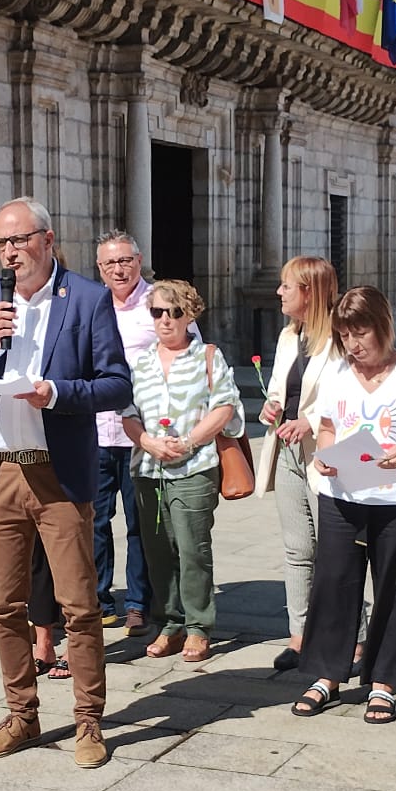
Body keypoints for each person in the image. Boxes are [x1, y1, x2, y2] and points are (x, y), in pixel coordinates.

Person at [0, 197, 129, 768]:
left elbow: (116, 385)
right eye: (1, 243)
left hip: (60, 470)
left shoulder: (89, 298)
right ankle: (22, 716)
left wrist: (57, 393)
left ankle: (88, 722)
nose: (9, 253)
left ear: (47, 240)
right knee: (4, 606)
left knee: (79, 605)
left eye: (19, 241)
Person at [293, 288, 396, 725]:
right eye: (345, 336)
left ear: (383, 325)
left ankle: (384, 682)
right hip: (343, 493)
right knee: (334, 581)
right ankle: (327, 674)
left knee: (395, 584)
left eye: (361, 333)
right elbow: (326, 427)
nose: (355, 344)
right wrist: (324, 455)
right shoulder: (337, 373)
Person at [119, 278, 242, 662]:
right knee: (157, 550)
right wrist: (148, 442)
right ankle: (170, 622)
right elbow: (128, 415)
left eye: (175, 312)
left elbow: (224, 406)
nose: (166, 320)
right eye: (158, 312)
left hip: (196, 466)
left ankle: (198, 627)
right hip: (148, 468)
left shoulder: (207, 355)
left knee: (192, 550)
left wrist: (188, 442)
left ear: (190, 315)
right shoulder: (140, 362)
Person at [258, 256, 352, 672]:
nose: (279, 292)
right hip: (288, 450)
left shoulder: (341, 337)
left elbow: (350, 398)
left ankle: (357, 636)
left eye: (287, 286)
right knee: (297, 549)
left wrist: (310, 421)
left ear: (310, 292)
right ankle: (299, 637)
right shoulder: (287, 336)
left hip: (329, 454)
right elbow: (282, 386)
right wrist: (272, 405)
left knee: (336, 550)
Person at [91, 232, 158, 632]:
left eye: (125, 261)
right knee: (95, 522)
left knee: (139, 523)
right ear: (99, 268)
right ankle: (100, 599)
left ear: (138, 259)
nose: (118, 269)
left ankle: (138, 601)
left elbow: (190, 352)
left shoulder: (158, 303)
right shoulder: (89, 305)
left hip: (141, 436)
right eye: (109, 264)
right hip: (95, 432)